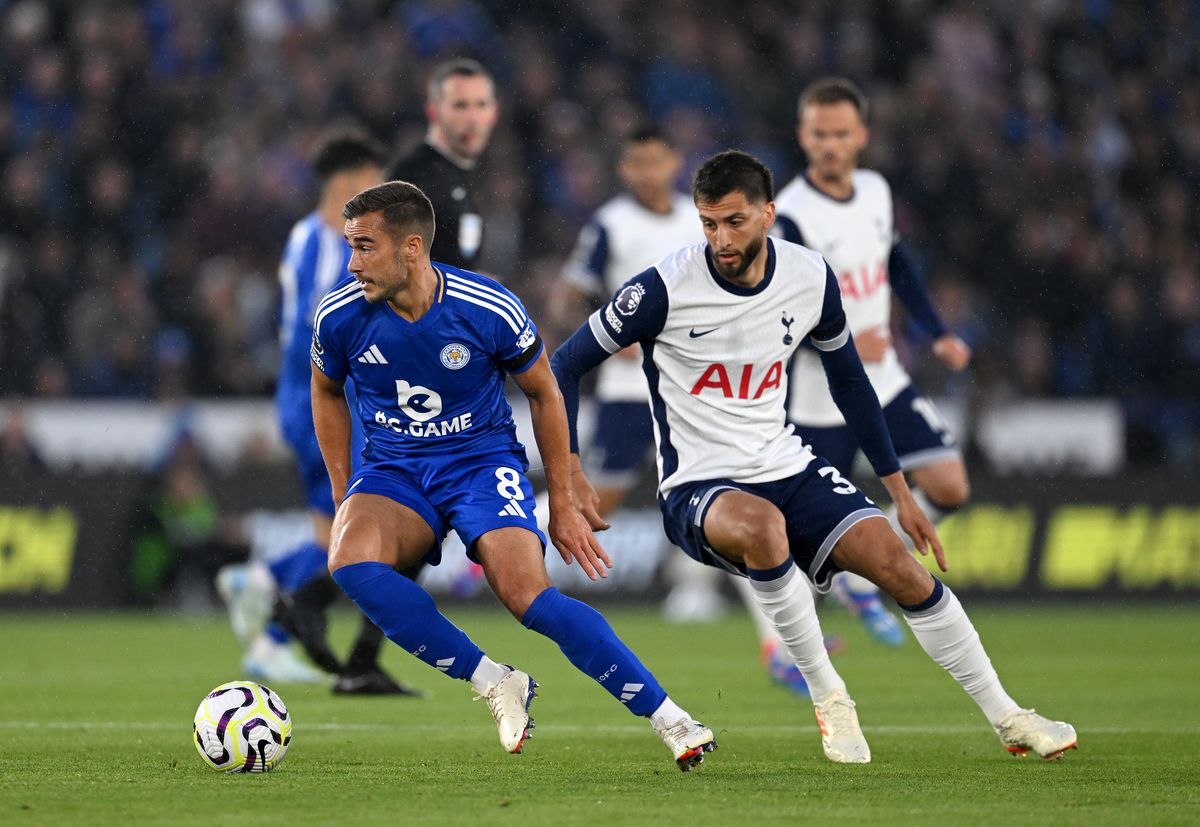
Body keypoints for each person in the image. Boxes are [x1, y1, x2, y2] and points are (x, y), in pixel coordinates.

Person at [551, 150, 1076, 763]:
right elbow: (562, 365)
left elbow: (852, 383)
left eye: (735, 222)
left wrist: (900, 493)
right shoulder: (661, 288)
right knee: (763, 528)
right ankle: (831, 698)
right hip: (698, 485)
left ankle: (1008, 716)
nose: (721, 238)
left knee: (900, 567)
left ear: (769, 214)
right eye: (709, 223)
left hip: (788, 465)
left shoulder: (809, 277)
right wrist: (568, 472)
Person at [311, 180, 717, 770]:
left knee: (528, 597)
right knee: (349, 560)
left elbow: (545, 393)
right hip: (394, 468)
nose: (352, 264)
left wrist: (564, 496)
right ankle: (496, 681)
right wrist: (343, 485)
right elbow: (325, 391)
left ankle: (672, 718)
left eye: (365, 247)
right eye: (350, 247)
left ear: (412, 248)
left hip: (480, 462)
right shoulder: (341, 315)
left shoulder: (486, 306)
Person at [217, 127, 417, 695]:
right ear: (351, 182)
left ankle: (268, 613)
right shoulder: (320, 241)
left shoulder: (320, 238)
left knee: (340, 533)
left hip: (319, 397)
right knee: (365, 527)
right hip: (316, 400)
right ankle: (272, 600)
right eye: (375, 180)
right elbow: (319, 320)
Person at [774, 78, 974, 647]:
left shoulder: (877, 191)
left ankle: (865, 571)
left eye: (841, 134)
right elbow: (778, 315)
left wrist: (936, 331)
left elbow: (897, 262)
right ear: (802, 137)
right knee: (799, 542)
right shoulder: (789, 217)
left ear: (861, 135)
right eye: (820, 135)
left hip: (883, 380)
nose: (831, 145)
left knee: (950, 485)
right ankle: (793, 645)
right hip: (820, 396)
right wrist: (840, 344)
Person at [384, 57, 497, 270]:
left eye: (481, 105)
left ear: (494, 113)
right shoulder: (414, 178)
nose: (472, 119)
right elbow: (396, 273)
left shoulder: (463, 175)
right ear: (433, 112)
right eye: (460, 106)